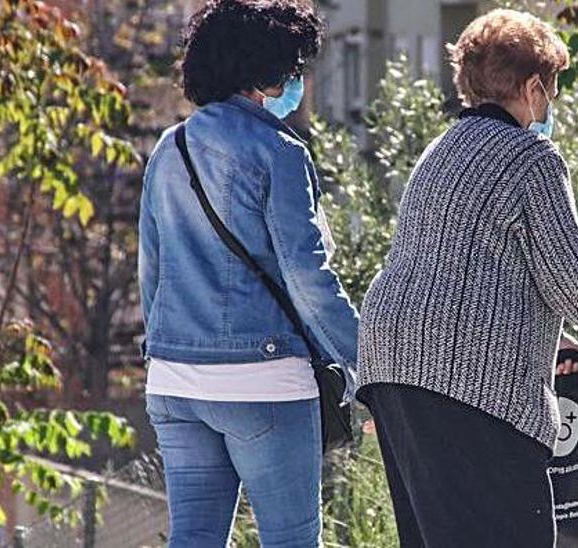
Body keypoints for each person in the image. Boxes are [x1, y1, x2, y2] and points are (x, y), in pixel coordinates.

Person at [355, 8, 578, 547]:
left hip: (391, 361)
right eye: (554, 88)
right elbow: (574, 280)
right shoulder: (531, 156)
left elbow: (465, 269)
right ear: (533, 86)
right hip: (468, 383)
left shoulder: (439, 151)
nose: (553, 103)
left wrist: (547, 336)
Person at [137, 1, 358, 546]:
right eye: (294, 68)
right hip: (263, 379)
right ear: (267, 70)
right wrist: (365, 358)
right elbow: (308, 277)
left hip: (173, 378)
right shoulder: (278, 151)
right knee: (291, 540)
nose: (297, 80)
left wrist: (166, 349)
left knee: (193, 536)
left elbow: (152, 270)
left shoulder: (171, 147)